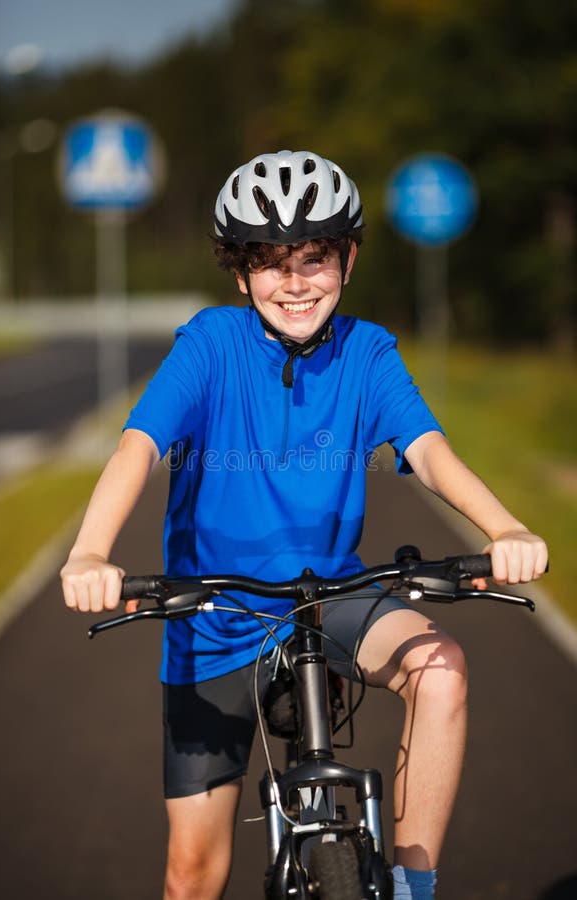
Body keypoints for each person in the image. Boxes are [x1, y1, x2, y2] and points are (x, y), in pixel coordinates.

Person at [61, 150, 548, 900]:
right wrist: (91, 552)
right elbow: (138, 447)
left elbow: (429, 451)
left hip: (326, 598)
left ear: (347, 258)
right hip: (215, 619)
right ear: (239, 271)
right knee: (193, 875)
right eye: (270, 261)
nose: (294, 283)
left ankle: (414, 888)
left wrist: (505, 527)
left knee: (441, 670)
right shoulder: (211, 345)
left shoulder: (369, 352)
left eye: (314, 258)